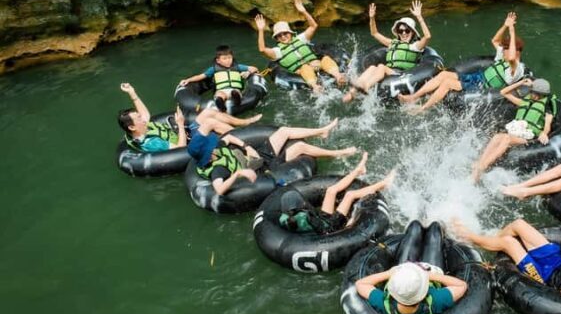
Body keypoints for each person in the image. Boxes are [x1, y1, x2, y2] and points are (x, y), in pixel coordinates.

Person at [186, 118, 357, 196]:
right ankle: (338, 153)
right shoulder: (218, 169)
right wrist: (239, 174)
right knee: (299, 147)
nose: (213, 145)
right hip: (262, 170)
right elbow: (220, 190)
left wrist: (246, 147)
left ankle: (322, 130)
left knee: (283, 131)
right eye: (210, 147)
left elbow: (229, 137)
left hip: (255, 157)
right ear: (208, 156)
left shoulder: (215, 151)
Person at [397, 12, 526, 113]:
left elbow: (512, 57)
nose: (503, 50)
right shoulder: (502, 56)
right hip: (479, 77)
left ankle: (423, 109)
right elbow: (495, 40)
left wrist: (512, 30)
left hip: (484, 87)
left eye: (507, 49)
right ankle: (414, 97)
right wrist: (505, 25)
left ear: (516, 51)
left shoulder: (516, 67)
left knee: (447, 83)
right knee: (444, 75)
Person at [355, 221, 468, 314]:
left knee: (415, 226)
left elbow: (360, 284)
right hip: (430, 270)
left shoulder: (384, 304)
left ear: (393, 290)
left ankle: (419, 226)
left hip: (405, 266)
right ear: (423, 291)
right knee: (435, 228)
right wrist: (429, 276)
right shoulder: (436, 300)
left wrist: (389, 273)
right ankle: (433, 226)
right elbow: (462, 286)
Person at [117, 82, 262, 152]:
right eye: (138, 119)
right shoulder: (152, 142)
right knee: (211, 122)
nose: (143, 118)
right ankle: (246, 138)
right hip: (186, 142)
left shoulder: (142, 127)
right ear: (132, 126)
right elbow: (180, 147)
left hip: (185, 133)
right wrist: (180, 124)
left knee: (208, 113)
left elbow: (145, 114)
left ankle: (244, 123)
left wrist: (132, 93)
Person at [279, 152, 396, 233]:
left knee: (331, 191)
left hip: (322, 220)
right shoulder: (305, 218)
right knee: (350, 195)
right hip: (330, 226)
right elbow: (322, 230)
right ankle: (383, 184)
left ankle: (358, 170)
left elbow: (315, 220)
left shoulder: (284, 219)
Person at [342, 0, 432, 103]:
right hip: (391, 71)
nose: (404, 33)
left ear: (412, 33)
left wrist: (419, 17)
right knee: (372, 67)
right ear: (397, 32)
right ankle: (353, 91)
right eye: (400, 31)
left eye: (407, 30)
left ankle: (365, 87)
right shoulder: (392, 43)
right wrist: (372, 18)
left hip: (403, 74)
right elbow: (375, 33)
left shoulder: (415, 46)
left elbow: (428, 36)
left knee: (381, 67)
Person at [471, 77, 555, 181]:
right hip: (516, 132)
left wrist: (544, 133)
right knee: (497, 137)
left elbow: (547, 124)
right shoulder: (524, 102)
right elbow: (504, 92)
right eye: (533, 92)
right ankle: (480, 163)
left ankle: (484, 166)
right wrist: (521, 83)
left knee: (506, 139)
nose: (534, 95)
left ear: (543, 95)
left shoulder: (547, 108)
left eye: (537, 94)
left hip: (529, 137)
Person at [255, 0, 346, 93]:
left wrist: (303, 11)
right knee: (305, 68)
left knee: (326, 58)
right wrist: (261, 30)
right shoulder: (277, 51)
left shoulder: (301, 39)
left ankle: (339, 76)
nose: (283, 36)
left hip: (317, 64)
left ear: (290, 33)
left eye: (285, 33)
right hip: (303, 71)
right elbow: (262, 49)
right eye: (279, 35)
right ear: (277, 39)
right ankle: (315, 87)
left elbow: (313, 26)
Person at [178, 45, 259, 111]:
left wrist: (248, 72)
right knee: (219, 95)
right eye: (224, 58)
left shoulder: (238, 67)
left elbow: (254, 68)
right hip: (221, 90)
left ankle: (236, 100)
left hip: (233, 88)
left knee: (235, 92)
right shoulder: (213, 69)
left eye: (229, 58)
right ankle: (220, 104)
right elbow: (201, 76)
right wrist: (188, 80)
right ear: (218, 60)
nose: (228, 60)